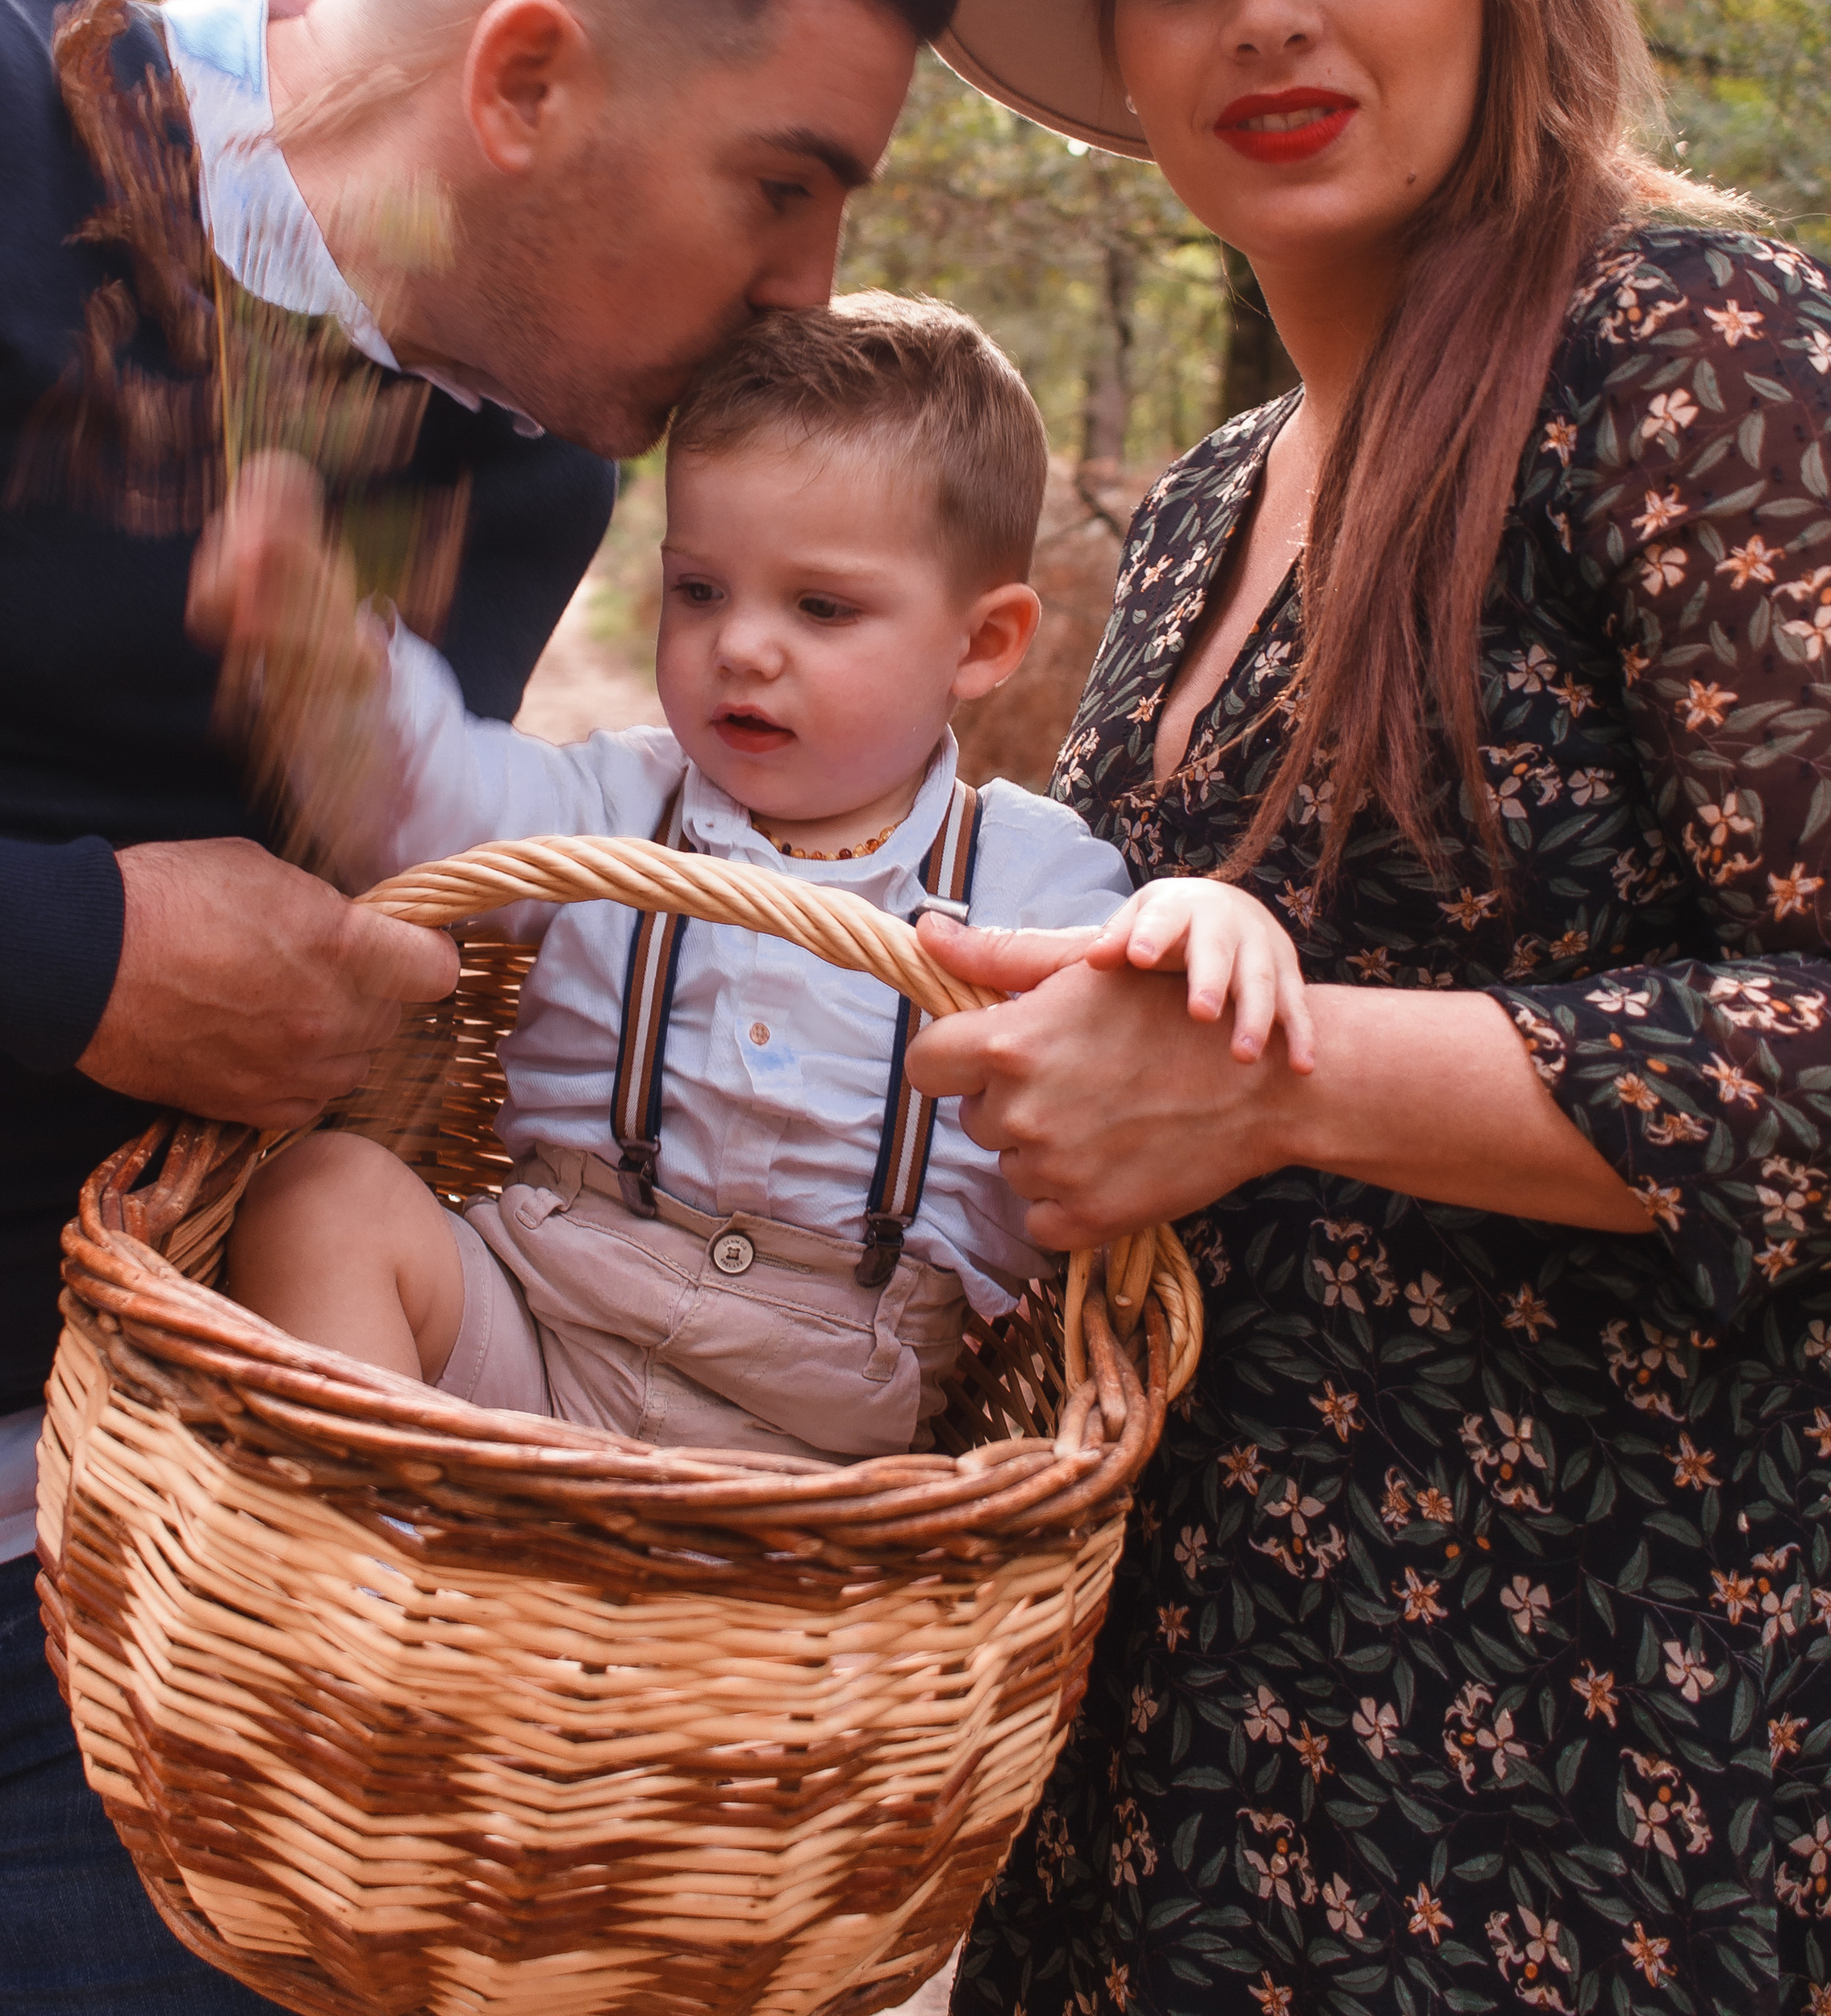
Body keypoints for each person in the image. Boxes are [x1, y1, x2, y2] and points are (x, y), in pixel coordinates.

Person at [0, 0, 957, 2016]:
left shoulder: (536, 425)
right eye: (788, 186)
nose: (808, 290)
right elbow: (92, 947)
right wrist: (73, 948)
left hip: (120, 1602)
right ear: (526, 76)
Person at [899, 0, 1831, 2016]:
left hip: (1588, 1783)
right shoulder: (1194, 520)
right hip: (1207, 1730)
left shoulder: (1694, 359)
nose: (1269, 18)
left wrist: (1291, 1086)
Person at [203, 296, 1313, 1461]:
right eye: (700, 591)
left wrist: (1201, 919)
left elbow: (1112, 1020)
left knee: (973, 1523)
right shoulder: (622, 807)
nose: (740, 645)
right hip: (533, 1348)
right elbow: (434, 804)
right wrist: (327, 665)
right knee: (321, 1196)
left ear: (983, 645)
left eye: (820, 606)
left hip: (825, 1450)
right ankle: (385, 1573)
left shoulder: (1025, 874)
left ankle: (663, 1620)